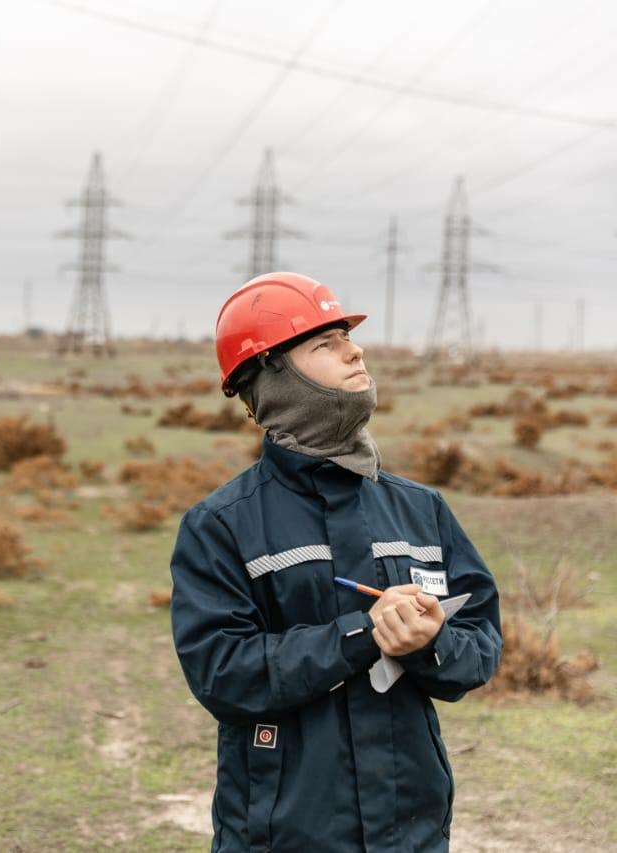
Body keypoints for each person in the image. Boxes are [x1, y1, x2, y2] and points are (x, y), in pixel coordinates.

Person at [169, 272, 502, 852]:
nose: (356, 349)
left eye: (347, 336)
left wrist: (427, 642)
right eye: (325, 343)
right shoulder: (222, 524)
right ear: (271, 376)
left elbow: (478, 647)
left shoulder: (421, 510)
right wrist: (361, 634)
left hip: (412, 831)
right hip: (283, 833)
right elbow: (224, 674)